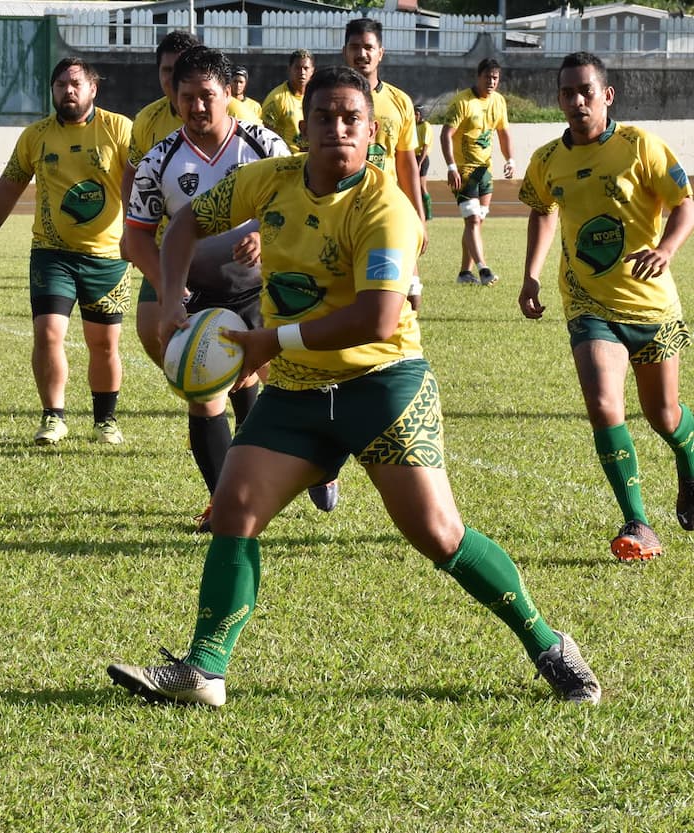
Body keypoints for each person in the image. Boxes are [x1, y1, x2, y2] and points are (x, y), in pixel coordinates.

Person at [107, 65, 601, 707]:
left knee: (438, 534)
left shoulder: (385, 207)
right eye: (324, 118)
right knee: (234, 508)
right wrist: (173, 299)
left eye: (351, 119)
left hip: (382, 385)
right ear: (302, 128)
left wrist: (266, 344)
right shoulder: (270, 180)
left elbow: (378, 319)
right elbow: (180, 229)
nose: (337, 129)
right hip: (296, 393)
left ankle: (548, 644)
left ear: (371, 132)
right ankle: (205, 668)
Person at [518, 51, 694, 562]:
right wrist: (531, 274)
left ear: (607, 94)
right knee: (603, 405)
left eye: (586, 92)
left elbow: (684, 203)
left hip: (653, 307)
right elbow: (540, 209)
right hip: (588, 304)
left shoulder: (641, 147)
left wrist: (665, 249)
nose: (576, 102)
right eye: (567, 93)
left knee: (664, 415)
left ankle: (689, 460)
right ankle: (638, 523)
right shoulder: (548, 159)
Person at [123, 46, 298, 529]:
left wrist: (264, 234)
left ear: (228, 94)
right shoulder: (158, 161)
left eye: (207, 96)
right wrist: (168, 292)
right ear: (174, 99)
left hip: (262, 288)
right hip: (196, 291)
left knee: (276, 380)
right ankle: (226, 505)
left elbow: (299, 209)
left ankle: (316, 467)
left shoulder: (265, 145)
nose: (198, 107)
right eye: (187, 98)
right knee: (202, 391)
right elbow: (134, 238)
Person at [0, 57, 132, 445]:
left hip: (108, 256)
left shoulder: (119, 129)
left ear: (93, 89)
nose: (68, 91)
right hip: (52, 252)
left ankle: (105, 420)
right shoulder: (35, 136)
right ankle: (53, 416)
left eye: (76, 84)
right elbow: (9, 186)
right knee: (48, 333)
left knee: (104, 343)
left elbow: (141, 184)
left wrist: (142, 235)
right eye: (60, 84)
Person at [123, 30, 200, 372]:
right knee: (149, 329)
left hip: (220, 246)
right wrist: (132, 227)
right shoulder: (148, 119)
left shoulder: (222, 110)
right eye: (166, 70)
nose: (172, 77)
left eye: (181, 68)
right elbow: (132, 173)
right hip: (164, 247)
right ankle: (196, 382)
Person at [343, 18, 425, 312]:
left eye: (368, 47)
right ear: (344, 51)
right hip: (339, 209)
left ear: (381, 53)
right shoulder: (333, 98)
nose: (361, 54)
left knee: (403, 295)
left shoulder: (400, 101)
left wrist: (419, 218)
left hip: (385, 210)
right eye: (355, 47)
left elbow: (406, 163)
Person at [442, 58, 514, 287]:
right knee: (472, 220)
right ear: (478, 76)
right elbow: (446, 134)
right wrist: (451, 166)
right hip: (464, 172)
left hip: (486, 171)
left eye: (495, 77)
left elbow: (503, 133)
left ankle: (464, 273)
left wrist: (510, 159)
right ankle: (483, 269)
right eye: (488, 77)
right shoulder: (462, 102)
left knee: (476, 222)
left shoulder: (499, 102)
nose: (492, 81)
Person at [259, 49, 314, 153]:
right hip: (286, 162)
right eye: (298, 68)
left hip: (311, 160)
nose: (302, 72)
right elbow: (264, 135)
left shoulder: (317, 97)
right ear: (289, 69)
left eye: (306, 68)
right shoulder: (276, 98)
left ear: (312, 71)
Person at [415, 104, 434, 221]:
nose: (414, 116)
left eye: (416, 114)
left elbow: (425, 147)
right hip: (414, 157)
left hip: (422, 158)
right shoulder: (414, 126)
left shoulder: (426, 126)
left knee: (422, 187)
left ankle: (428, 214)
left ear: (421, 115)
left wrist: (419, 163)